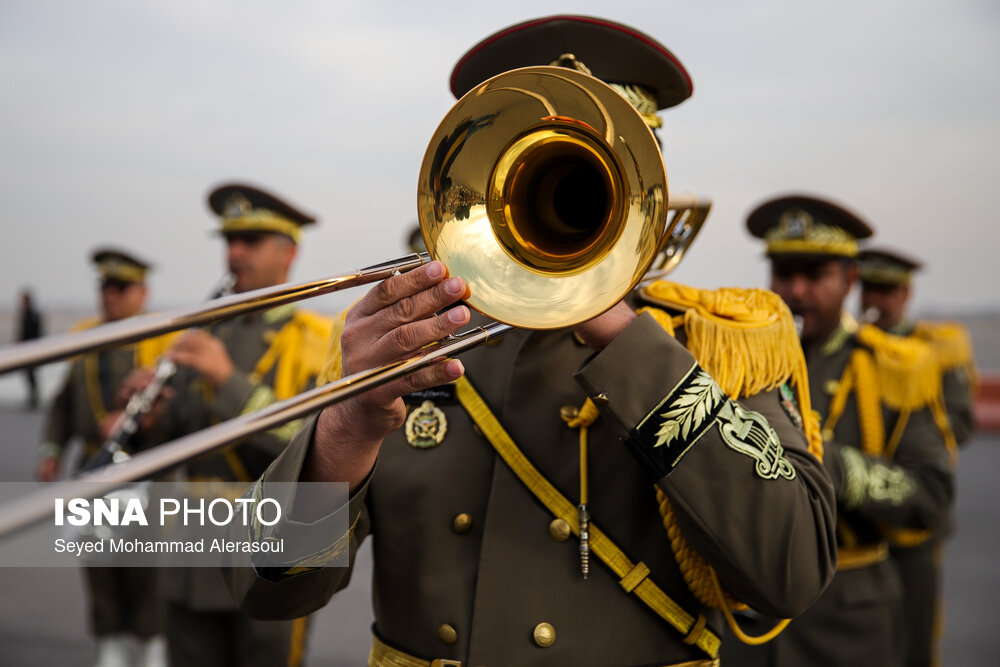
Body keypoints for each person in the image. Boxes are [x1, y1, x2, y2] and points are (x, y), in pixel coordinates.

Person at [225, 17, 838, 667]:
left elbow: (792, 571)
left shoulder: (718, 341)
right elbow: (259, 584)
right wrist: (346, 427)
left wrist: (627, 340)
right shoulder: (413, 344)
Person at [736, 195, 954, 667]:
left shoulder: (893, 368)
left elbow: (933, 496)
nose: (796, 291)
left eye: (815, 275)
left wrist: (828, 465)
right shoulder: (740, 362)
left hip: (846, 626)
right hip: (750, 627)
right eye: (783, 273)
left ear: (851, 280)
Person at [148, 183, 334, 667]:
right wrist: (150, 419)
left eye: (250, 240)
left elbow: (315, 448)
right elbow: (180, 440)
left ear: (289, 252)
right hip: (192, 550)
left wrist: (228, 382)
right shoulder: (204, 332)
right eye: (230, 240)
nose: (234, 253)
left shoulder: (317, 339)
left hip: (268, 551)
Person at [37, 248, 172, 667]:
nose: (110, 294)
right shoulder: (86, 338)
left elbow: (177, 408)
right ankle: (109, 639)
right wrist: (52, 449)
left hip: (144, 469)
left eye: (121, 286)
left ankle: (152, 641)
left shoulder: (161, 339)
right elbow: (63, 402)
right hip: (94, 467)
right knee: (98, 559)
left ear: (142, 292)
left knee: (147, 563)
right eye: (105, 286)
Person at [859, 246, 975, 667]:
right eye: (870, 288)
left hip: (912, 522)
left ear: (906, 294)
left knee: (914, 637)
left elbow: (958, 424)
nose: (877, 299)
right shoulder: (853, 346)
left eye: (887, 290)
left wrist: (905, 436)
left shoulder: (933, 350)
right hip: (860, 520)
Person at [16, 287, 44, 409]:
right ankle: (33, 398)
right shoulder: (29, 314)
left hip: (31, 349)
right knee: (30, 375)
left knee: (31, 375)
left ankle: (34, 399)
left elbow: (34, 332)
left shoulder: (31, 314)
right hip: (28, 349)